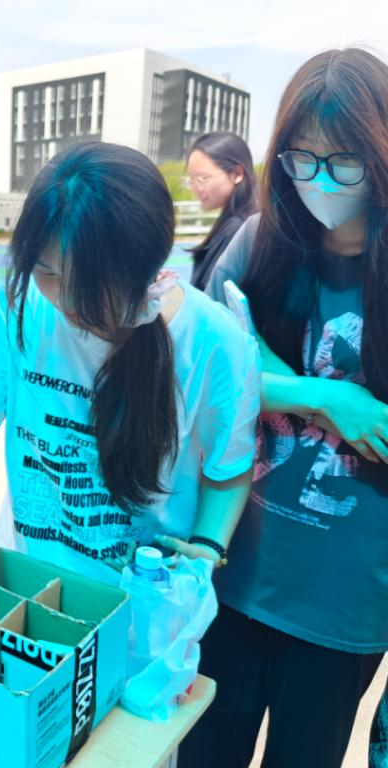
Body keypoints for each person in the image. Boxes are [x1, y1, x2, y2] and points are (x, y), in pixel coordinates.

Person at [0, 142, 260, 613]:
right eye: (45, 272)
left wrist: (206, 550)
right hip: (29, 574)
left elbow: (229, 468)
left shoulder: (215, 342)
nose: (66, 301)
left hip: (145, 597)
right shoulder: (14, 308)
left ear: (147, 264)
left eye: (88, 284)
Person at [180, 48, 388, 768]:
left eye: (345, 162)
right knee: (204, 753)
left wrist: (267, 371)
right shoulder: (261, 240)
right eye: (302, 159)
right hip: (236, 572)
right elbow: (205, 364)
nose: (320, 181)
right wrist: (325, 397)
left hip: (345, 604)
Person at [183, 132, 258, 289]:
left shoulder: (237, 228)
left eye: (202, 178)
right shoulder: (238, 221)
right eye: (191, 179)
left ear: (237, 174)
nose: (195, 188)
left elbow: (211, 296)